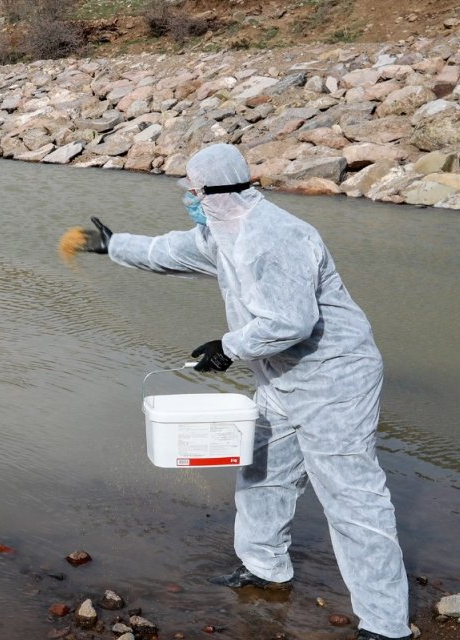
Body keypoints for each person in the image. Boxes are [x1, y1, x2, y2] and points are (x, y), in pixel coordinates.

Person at [74, 144, 411, 640]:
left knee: (353, 500)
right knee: (263, 473)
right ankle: (265, 568)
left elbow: (291, 321)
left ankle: (385, 624)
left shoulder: (277, 235)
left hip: (335, 381)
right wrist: (115, 244)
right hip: (278, 378)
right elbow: (173, 251)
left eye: (190, 190)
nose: (186, 198)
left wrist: (227, 347)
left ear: (210, 189)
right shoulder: (221, 232)